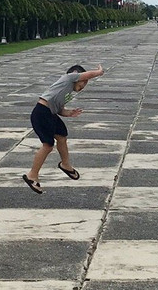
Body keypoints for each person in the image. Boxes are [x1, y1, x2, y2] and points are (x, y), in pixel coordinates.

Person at [23, 63, 104, 193]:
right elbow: (87, 74)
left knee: (62, 136)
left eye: (86, 83)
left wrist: (69, 112)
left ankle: (65, 164)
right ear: (75, 76)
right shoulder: (68, 78)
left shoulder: (68, 91)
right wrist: (99, 72)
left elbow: (59, 108)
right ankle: (32, 175)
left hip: (51, 113)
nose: (84, 85)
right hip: (42, 113)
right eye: (83, 81)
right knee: (48, 145)